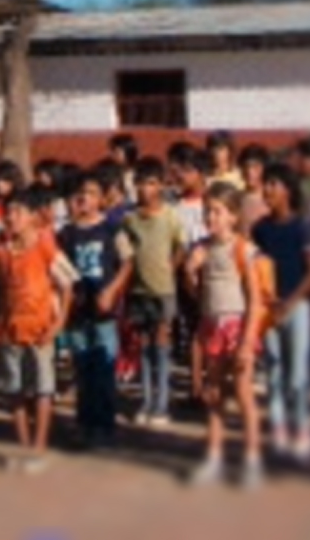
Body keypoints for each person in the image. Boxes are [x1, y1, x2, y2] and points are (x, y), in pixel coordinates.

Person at [0, 186, 77, 473]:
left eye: (18, 212)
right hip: (10, 332)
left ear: (33, 218)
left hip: (40, 332)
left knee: (43, 390)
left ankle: (39, 448)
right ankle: (24, 447)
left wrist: (58, 324)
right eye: (8, 212)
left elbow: (67, 285)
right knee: (15, 391)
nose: (11, 217)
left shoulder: (45, 247)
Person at [184, 184, 265, 489]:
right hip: (211, 325)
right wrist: (190, 274)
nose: (210, 217)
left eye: (217, 211)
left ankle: (252, 459)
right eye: (207, 210)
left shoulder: (243, 249)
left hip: (236, 325)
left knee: (243, 395)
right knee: (214, 394)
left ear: (233, 216)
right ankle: (214, 457)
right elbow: (197, 296)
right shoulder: (201, 248)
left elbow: (256, 300)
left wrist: (246, 340)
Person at [58, 172, 134, 448]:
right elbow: (59, 268)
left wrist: (112, 290)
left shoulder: (112, 229)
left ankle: (104, 425)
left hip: (104, 312)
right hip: (78, 311)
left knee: (104, 368)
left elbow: (127, 262)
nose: (84, 198)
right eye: (80, 193)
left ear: (102, 199)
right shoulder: (67, 233)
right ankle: (84, 423)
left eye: (90, 193)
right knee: (82, 369)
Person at [252, 163, 310, 461]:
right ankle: (279, 428)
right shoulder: (260, 229)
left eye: (273, 184)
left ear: (288, 191)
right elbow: (255, 270)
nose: (266, 189)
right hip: (269, 310)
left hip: (297, 308)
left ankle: (302, 427)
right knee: (274, 370)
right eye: (265, 183)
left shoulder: (303, 227)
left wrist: (290, 303)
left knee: (298, 373)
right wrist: (267, 304)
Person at [123, 157, 186, 426]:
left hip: (163, 291)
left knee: (161, 346)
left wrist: (171, 266)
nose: (144, 189)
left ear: (160, 185)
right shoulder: (130, 219)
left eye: (150, 183)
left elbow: (181, 246)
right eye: (140, 183)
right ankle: (147, 400)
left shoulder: (171, 216)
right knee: (144, 347)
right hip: (139, 291)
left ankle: (162, 404)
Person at [168, 141, 210, 405]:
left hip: (214, 275)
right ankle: (196, 387)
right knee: (195, 330)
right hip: (186, 277)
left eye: (185, 170)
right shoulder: (174, 208)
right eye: (176, 171)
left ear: (199, 171)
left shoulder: (214, 200)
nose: (179, 177)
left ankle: (214, 384)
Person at [238, 143, 271, 233]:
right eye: (246, 166)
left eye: (255, 167)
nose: (250, 172)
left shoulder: (272, 199)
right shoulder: (235, 200)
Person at [108, 133, 140, 202]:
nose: (112, 156)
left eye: (116, 152)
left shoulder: (138, 174)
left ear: (128, 152)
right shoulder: (112, 173)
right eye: (112, 152)